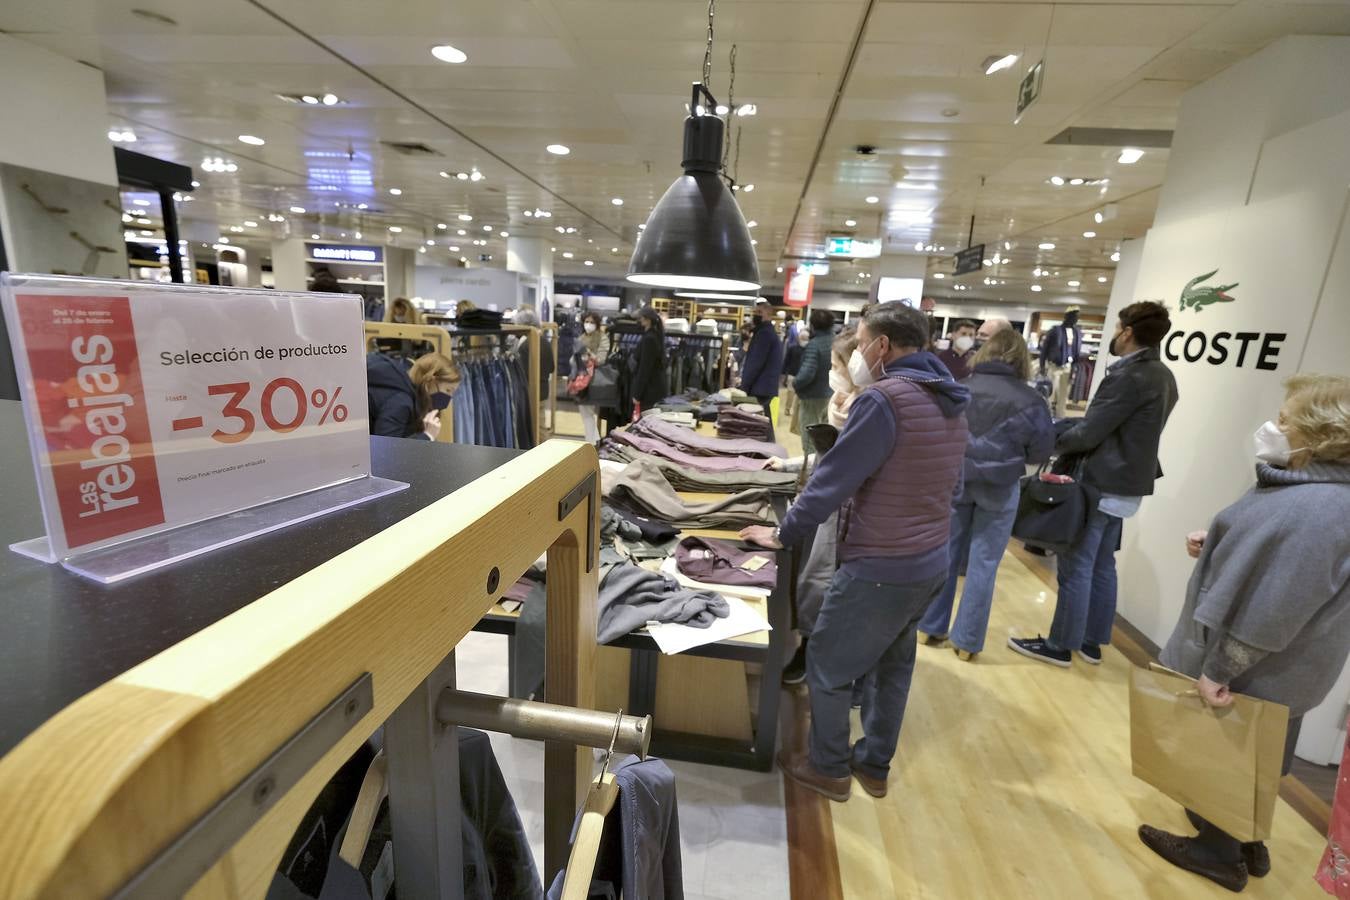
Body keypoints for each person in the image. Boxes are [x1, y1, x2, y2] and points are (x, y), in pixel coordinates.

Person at [741, 302, 970, 802]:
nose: (858, 351)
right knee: (892, 664)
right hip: (929, 559)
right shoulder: (948, 398)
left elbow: (832, 481)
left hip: (880, 564)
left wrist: (783, 535)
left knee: (827, 661)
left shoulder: (884, 400)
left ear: (881, 345)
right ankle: (874, 763)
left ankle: (828, 768)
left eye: (862, 340)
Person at [1137, 374, 1350, 893]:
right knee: (1262, 748)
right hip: (1291, 667)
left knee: (1227, 746)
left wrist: (1219, 668)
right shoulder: (1311, 492)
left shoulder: (1319, 508)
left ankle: (1218, 852)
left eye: (1286, 420)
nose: (1274, 428)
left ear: (1319, 434)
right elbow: (1279, 556)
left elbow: (1278, 605)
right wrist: (1220, 541)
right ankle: (1244, 837)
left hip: (1260, 664)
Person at [1010, 301, 1179, 666]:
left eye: (1118, 328)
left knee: (1077, 564)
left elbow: (1090, 432)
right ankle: (1091, 641)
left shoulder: (1127, 376)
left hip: (1101, 481)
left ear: (1128, 332)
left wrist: (1049, 439)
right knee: (1102, 563)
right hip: (1128, 482)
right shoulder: (1163, 376)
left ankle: (1060, 644)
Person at [917, 330, 1055, 659]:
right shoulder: (1032, 399)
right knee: (984, 563)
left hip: (956, 478)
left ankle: (929, 626)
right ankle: (966, 642)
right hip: (1001, 484)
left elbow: (938, 433)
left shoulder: (958, 388)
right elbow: (1039, 452)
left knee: (944, 555)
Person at [773, 327, 863, 685]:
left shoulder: (868, 409)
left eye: (837, 363)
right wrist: (792, 465)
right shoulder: (841, 402)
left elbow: (840, 466)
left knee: (820, 582)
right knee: (812, 579)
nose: (834, 370)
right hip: (824, 503)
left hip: (843, 510)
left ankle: (816, 656)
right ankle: (812, 649)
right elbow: (827, 458)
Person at [367, 351, 459, 441]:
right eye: (448, 390)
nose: (449, 397)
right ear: (430, 381)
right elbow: (385, 450)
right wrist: (427, 435)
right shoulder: (401, 403)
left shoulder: (408, 383)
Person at [739, 302, 785, 418]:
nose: (756, 315)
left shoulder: (764, 334)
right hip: (765, 387)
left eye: (759, 312)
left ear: (769, 314)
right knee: (763, 421)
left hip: (759, 388)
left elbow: (755, 363)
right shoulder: (767, 332)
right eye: (755, 312)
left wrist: (744, 386)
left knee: (757, 422)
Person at [794, 309, 837, 430]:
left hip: (813, 396)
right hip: (833, 394)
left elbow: (807, 373)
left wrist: (795, 383)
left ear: (812, 325)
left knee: (810, 437)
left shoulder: (814, 344)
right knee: (827, 436)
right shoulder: (838, 342)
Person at [1040, 307, 1083, 418]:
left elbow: (1076, 352)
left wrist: (1075, 369)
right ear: (1067, 316)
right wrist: (1042, 365)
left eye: (1077, 317)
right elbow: (1044, 349)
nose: (1075, 319)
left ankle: (1060, 417)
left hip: (1068, 367)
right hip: (1054, 366)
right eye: (1073, 316)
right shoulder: (1055, 330)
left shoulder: (1077, 332)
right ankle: (1045, 417)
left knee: (1063, 396)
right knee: (1050, 393)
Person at [630, 307, 668, 419]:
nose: (639, 320)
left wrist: (637, 393)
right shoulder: (654, 336)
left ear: (648, 320)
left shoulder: (649, 339)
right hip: (654, 388)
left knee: (647, 422)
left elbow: (644, 368)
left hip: (649, 390)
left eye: (641, 318)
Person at [575, 312, 606, 443]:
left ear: (597, 324)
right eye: (586, 321)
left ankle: (591, 441)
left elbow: (601, 359)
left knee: (589, 409)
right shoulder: (581, 338)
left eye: (592, 322)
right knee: (584, 409)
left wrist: (589, 354)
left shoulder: (602, 338)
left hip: (595, 379)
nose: (588, 325)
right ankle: (593, 440)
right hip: (581, 378)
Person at [782, 328, 808, 419]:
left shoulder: (792, 347)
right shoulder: (809, 350)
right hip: (802, 374)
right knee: (798, 394)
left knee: (790, 392)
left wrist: (784, 372)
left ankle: (787, 409)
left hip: (792, 373)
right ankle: (796, 411)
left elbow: (786, 361)